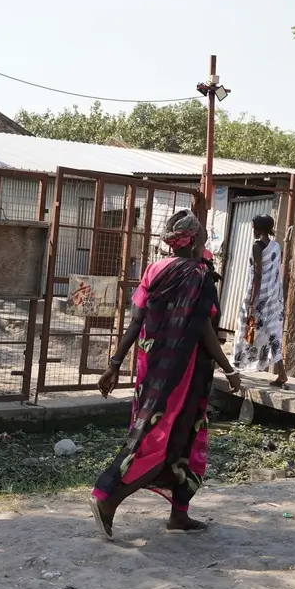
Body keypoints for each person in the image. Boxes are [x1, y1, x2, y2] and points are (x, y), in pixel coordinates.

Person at [90, 209, 240, 539]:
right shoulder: (197, 276)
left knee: (177, 435)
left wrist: (114, 364)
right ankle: (108, 498)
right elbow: (203, 328)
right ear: (195, 239)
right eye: (201, 235)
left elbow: (135, 322)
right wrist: (229, 370)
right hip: (182, 372)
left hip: (151, 368)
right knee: (164, 439)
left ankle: (180, 514)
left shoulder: (154, 270)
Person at [232, 214, 287, 388]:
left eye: (254, 228)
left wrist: (252, 302)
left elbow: (257, 274)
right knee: (273, 335)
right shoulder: (276, 246)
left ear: (257, 229)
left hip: (258, 296)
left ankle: (237, 368)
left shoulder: (257, 246)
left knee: (245, 328)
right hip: (274, 298)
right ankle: (282, 374)